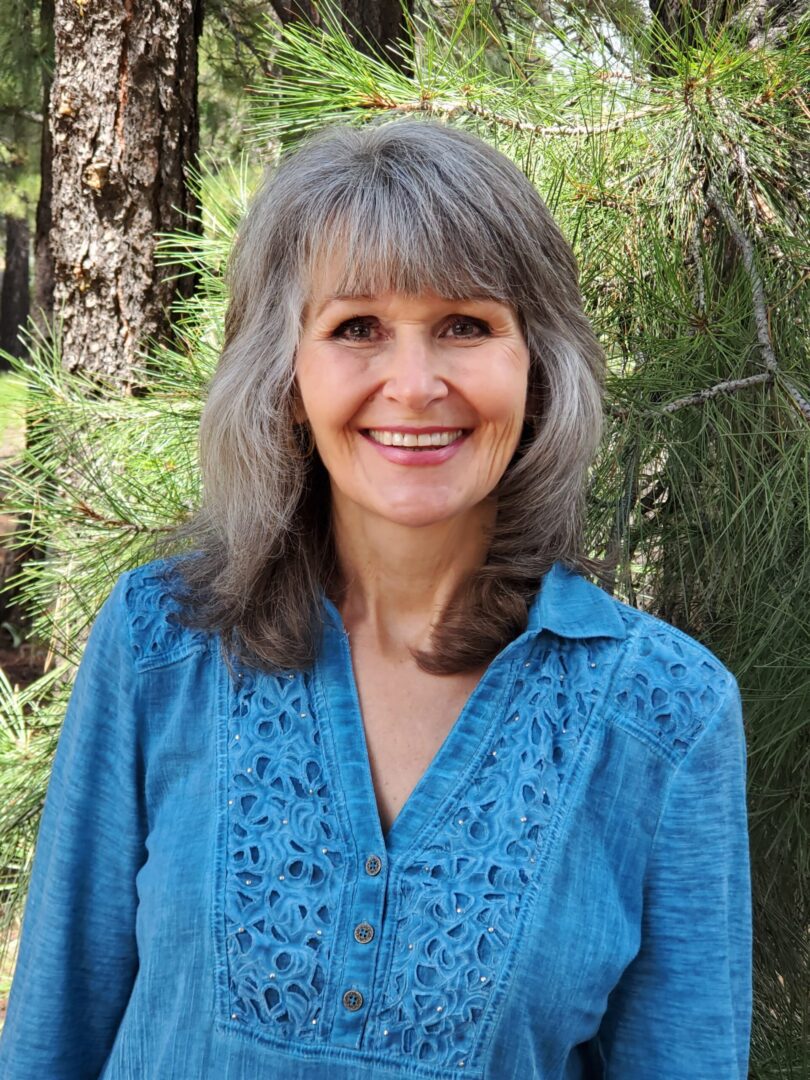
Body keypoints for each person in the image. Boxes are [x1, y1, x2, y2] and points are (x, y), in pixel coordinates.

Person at [0, 119, 751, 1079]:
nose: (414, 383)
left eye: (464, 326)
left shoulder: (667, 713)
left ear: (538, 362)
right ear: (286, 372)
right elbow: (51, 1036)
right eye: (357, 327)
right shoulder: (163, 639)